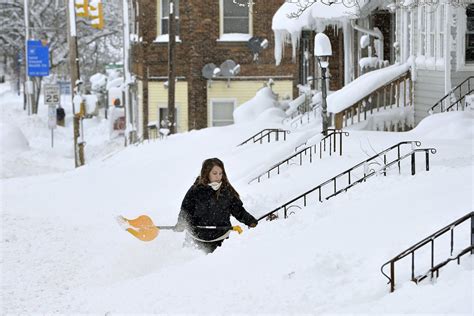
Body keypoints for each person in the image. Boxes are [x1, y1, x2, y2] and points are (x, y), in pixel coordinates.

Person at [175, 158, 258, 253]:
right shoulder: (195, 190)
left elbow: (238, 210)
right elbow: (185, 210)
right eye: (214, 173)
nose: (218, 177)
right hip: (196, 239)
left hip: (221, 240)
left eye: (220, 173)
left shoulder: (227, 191)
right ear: (207, 173)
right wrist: (181, 224)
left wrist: (250, 221)